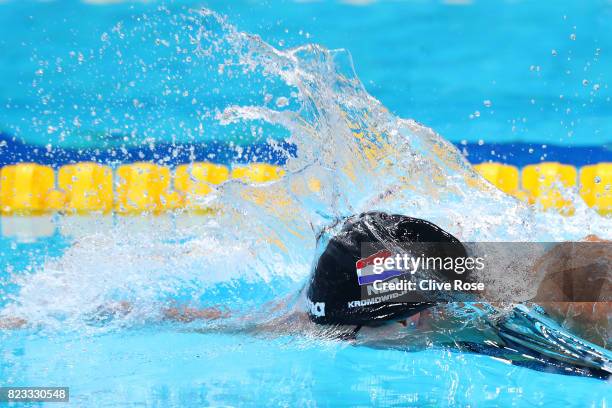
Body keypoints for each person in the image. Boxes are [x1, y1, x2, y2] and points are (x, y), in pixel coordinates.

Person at [1, 212, 610, 377]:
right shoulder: (358, 315)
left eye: (366, 332)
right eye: (349, 333)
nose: (359, 343)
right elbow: (239, 322)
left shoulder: (568, 296)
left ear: (420, 316)